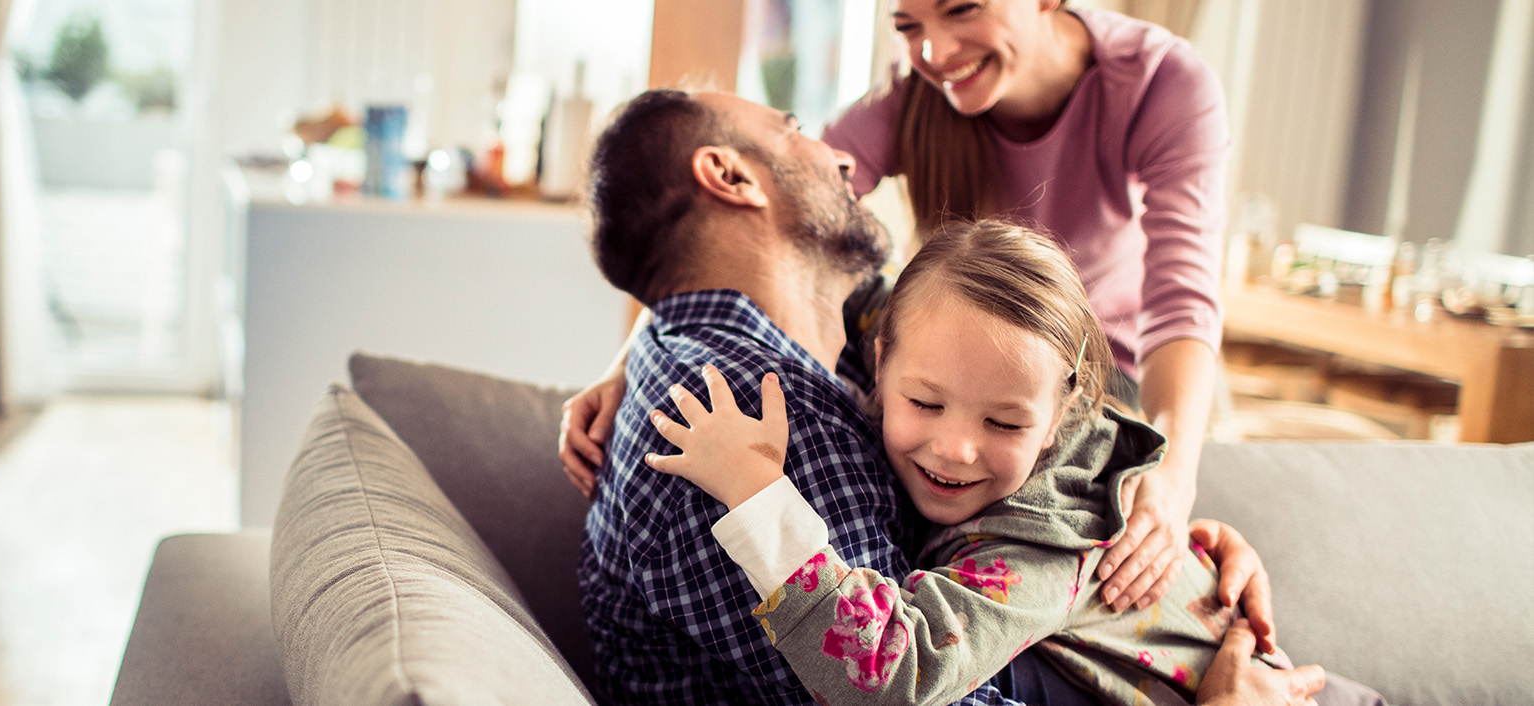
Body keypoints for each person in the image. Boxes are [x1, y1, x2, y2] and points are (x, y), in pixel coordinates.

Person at [575, 86, 1319, 705]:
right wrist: (753, 490)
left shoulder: (765, 355)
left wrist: (1170, 524)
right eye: (795, 128)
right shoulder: (753, 413)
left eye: (1005, 420)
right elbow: (892, 677)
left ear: (1055, 417)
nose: (842, 156)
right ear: (730, 178)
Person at [567, 0, 1229, 621]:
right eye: (908, 24)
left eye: (962, 7)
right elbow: (761, 223)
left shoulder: (1158, 82)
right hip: (954, 360)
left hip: (1100, 381)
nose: (935, 50)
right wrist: (648, 338)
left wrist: (1173, 479)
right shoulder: (916, 95)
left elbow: (1181, 302)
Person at [644, 220, 1385, 705]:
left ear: (1060, 415)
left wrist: (756, 491)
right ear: (879, 359)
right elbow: (806, 274)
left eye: (1005, 422)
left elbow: (893, 676)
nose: (956, 448)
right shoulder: (923, 325)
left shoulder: (1040, 545)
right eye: (925, 403)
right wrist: (641, 343)